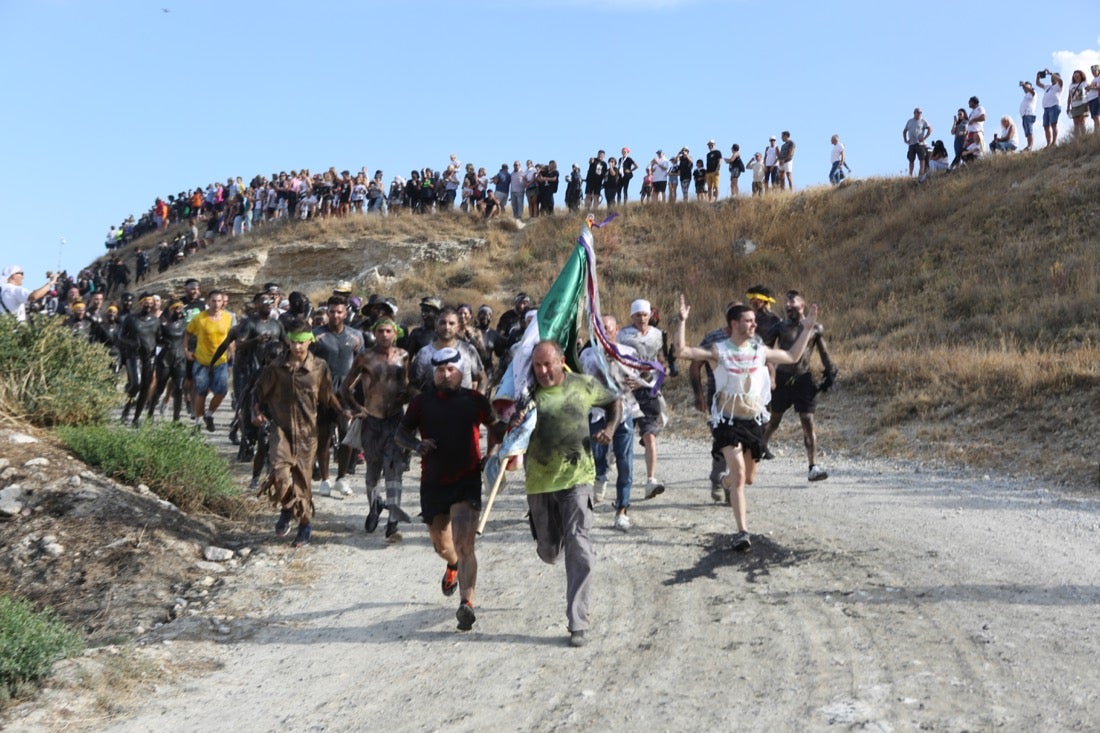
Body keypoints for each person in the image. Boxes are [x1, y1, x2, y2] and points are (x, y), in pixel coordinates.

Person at [673, 295, 819, 552]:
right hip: (726, 422)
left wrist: (806, 329)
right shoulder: (719, 350)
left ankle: (726, 482)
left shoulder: (758, 349)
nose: (754, 325)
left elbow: (792, 355)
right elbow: (682, 352)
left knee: (748, 478)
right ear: (733, 324)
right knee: (741, 475)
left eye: (754, 321)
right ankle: (742, 532)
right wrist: (681, 322)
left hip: (753, 422)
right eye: (748, 321)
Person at [396, 347, 501, 631]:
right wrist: (418, 445)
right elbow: (401, 433)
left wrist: (492, 453)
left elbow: (496, 426)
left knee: (466, 544)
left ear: (461, 370)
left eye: (451, 369)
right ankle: (452, 565)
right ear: (434, 372)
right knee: (443, 546)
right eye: (440, 370)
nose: (445, 375)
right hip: (432, 483)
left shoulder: (475, 400)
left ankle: (466, 604)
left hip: (466, 480)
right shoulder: (422, 403)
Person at [525, 340, 620, 647]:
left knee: (579, 545)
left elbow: (613, 401)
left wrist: (610, 426)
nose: (542, 371)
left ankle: (577, 621)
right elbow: (504, 425)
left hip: (578, 479)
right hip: (540, 483)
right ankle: (552, 538)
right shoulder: (526, 392)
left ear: (561, 361)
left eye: (548, 364)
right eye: (537, 365)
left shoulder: (583, 385)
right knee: (551, 553)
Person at [253, 319, 345, 547]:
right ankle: (286, 508)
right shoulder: (276, 368)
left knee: (303, 484)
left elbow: (327, 395)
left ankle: (304, 526)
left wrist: (343, 411)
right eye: (293, 342)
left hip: (307, 434)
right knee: (280, 474)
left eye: (302, 342)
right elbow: (258, 393)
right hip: (281, 431)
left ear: (310, 341)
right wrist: (256, 412)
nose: (297, 347)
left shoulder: (319, 367)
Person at [343, 317, 414, 540]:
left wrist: (408, 400)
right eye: (380, 331)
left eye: (388, 331)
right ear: (374, 333)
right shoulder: (365, 357)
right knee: (373, 470)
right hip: (371, 420)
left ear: (395, 333)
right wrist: (357, 408)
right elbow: (346, 386)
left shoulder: (403, 355)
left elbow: (406, 383)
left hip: (394, 419)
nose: (384, 335)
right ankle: (374, 506)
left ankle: (393, 521)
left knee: (394, 470)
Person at [763, 291, 837, 483]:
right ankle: (758, 447)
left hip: (804, 378)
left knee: (807, 421)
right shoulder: (779, 326)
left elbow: (824, 352)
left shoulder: (815, 328)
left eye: (792, 302)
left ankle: (813, 466)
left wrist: (830, 372)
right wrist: (767, 374)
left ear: (802, 305)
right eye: (786, 302)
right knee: (774, 421)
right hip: (782, 378)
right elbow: (765, 351)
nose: (788, 305)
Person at [579, 315, 637, 530]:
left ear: (616, 330)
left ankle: (622, 510)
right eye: (600, 328)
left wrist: (637, 383)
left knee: (625, 462)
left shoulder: (628, 353)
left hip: (624, 414)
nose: (604, 332)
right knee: (595, 456)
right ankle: (601, 475)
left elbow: (644, 377)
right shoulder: (587, 355)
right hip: (596, 414)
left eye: (608, 328)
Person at [310, 295, 366, 497]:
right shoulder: (316, 335)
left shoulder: (356, 335)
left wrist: (355, 389)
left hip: (346, 394)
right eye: (332, 311)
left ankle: (341, 478)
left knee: (346, 437)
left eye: (339, 311)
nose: (335, 315)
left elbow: (362, 365)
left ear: (346, 313)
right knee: (323, 436)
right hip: (322, 393)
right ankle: (325, 479)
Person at [617, 298, 666, 499]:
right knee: (619, 435)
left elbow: (660, 360)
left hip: (647, 390)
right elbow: (617, 360)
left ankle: (650, 480)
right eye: (638, 315)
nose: (642, 319)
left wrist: (657, 377)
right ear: (632, 316)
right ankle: (603, 471)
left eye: (645, 315)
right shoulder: (623, 335)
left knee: (649, 435)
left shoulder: (657, 335)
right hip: (627, 390)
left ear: (650, 316)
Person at [185, 289, 234, 432]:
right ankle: (198, 422)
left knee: (222, 391)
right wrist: (186, 350)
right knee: (201, 391)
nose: (216, 304)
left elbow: (230, 337)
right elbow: (187, 332)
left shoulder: (228, 318)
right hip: (202, 361)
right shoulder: (200, 318)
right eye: (213, 301)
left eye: (219, 301)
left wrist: (233, 353)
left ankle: (209, 414)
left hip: (221, 361)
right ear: (208, 302)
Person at [1036, 68, 1063, 147]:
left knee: (1053, 125)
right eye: (1052, 78)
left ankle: (1054, 142)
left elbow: (1061, 81)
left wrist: (1051, 73)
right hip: (1046, 108)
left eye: (1054, 78)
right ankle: (1048, 143)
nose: (1052, 79)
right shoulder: (1048, 86)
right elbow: (1038, 84)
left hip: (1054, 106)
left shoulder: (1059, 85)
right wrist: (1038, 76)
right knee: (1046, 126)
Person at [903, 108, 932, 177]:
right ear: (914, 113)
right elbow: (905, 131)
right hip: (911, 143)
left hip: (920, 144)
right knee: (911, 159)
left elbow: (930, 129)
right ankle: (910, 174)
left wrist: (924, 138)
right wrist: (905, 140)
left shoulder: (923, 121)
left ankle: (921, 173)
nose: (919, 114)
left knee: (922, 158)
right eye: (918, 112)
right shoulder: (910, 121)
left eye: (920, 112)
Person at [1067, 69, 1090, 137]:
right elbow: (1069, 97)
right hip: (1074, 106)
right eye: (1075, 75)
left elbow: (1089, 93)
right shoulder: (1071, 85)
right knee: (1076, 124)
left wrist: (1088, 105)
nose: (1076, 76)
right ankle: (1077, 139)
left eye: (1077, 75)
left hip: (1083, 104)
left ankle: (1084, 137)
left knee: (1082, 122)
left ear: (1081, 76)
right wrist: (1068, 107)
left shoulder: (1085, 83)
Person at [1019, 81, 1038, 151]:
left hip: (1029, 115)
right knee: (1027, 132)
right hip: (1025, 116)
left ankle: (1030, 146)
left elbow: (1032, 92)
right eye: (1024, 87)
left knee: (1029, 131)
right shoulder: (1026, 95)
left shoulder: (1033, 92)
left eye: (1026, 86)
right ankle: (1028, 145)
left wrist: (1024, 85)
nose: (1024, 88)